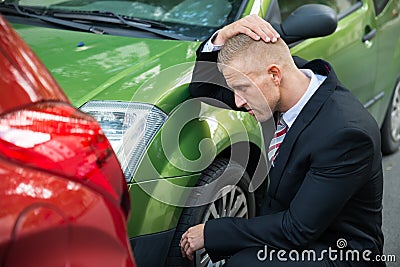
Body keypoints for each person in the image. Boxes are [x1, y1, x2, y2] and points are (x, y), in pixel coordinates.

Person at [180, 15, 385, 266]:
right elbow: (203, 88)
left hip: (339, 251)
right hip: (294, 226)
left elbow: (297, 229)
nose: (237, 102)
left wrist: (211, 233)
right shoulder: (279, 84)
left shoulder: (346, 135)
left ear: (275, 75)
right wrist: (221, 36)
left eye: (242, 89)